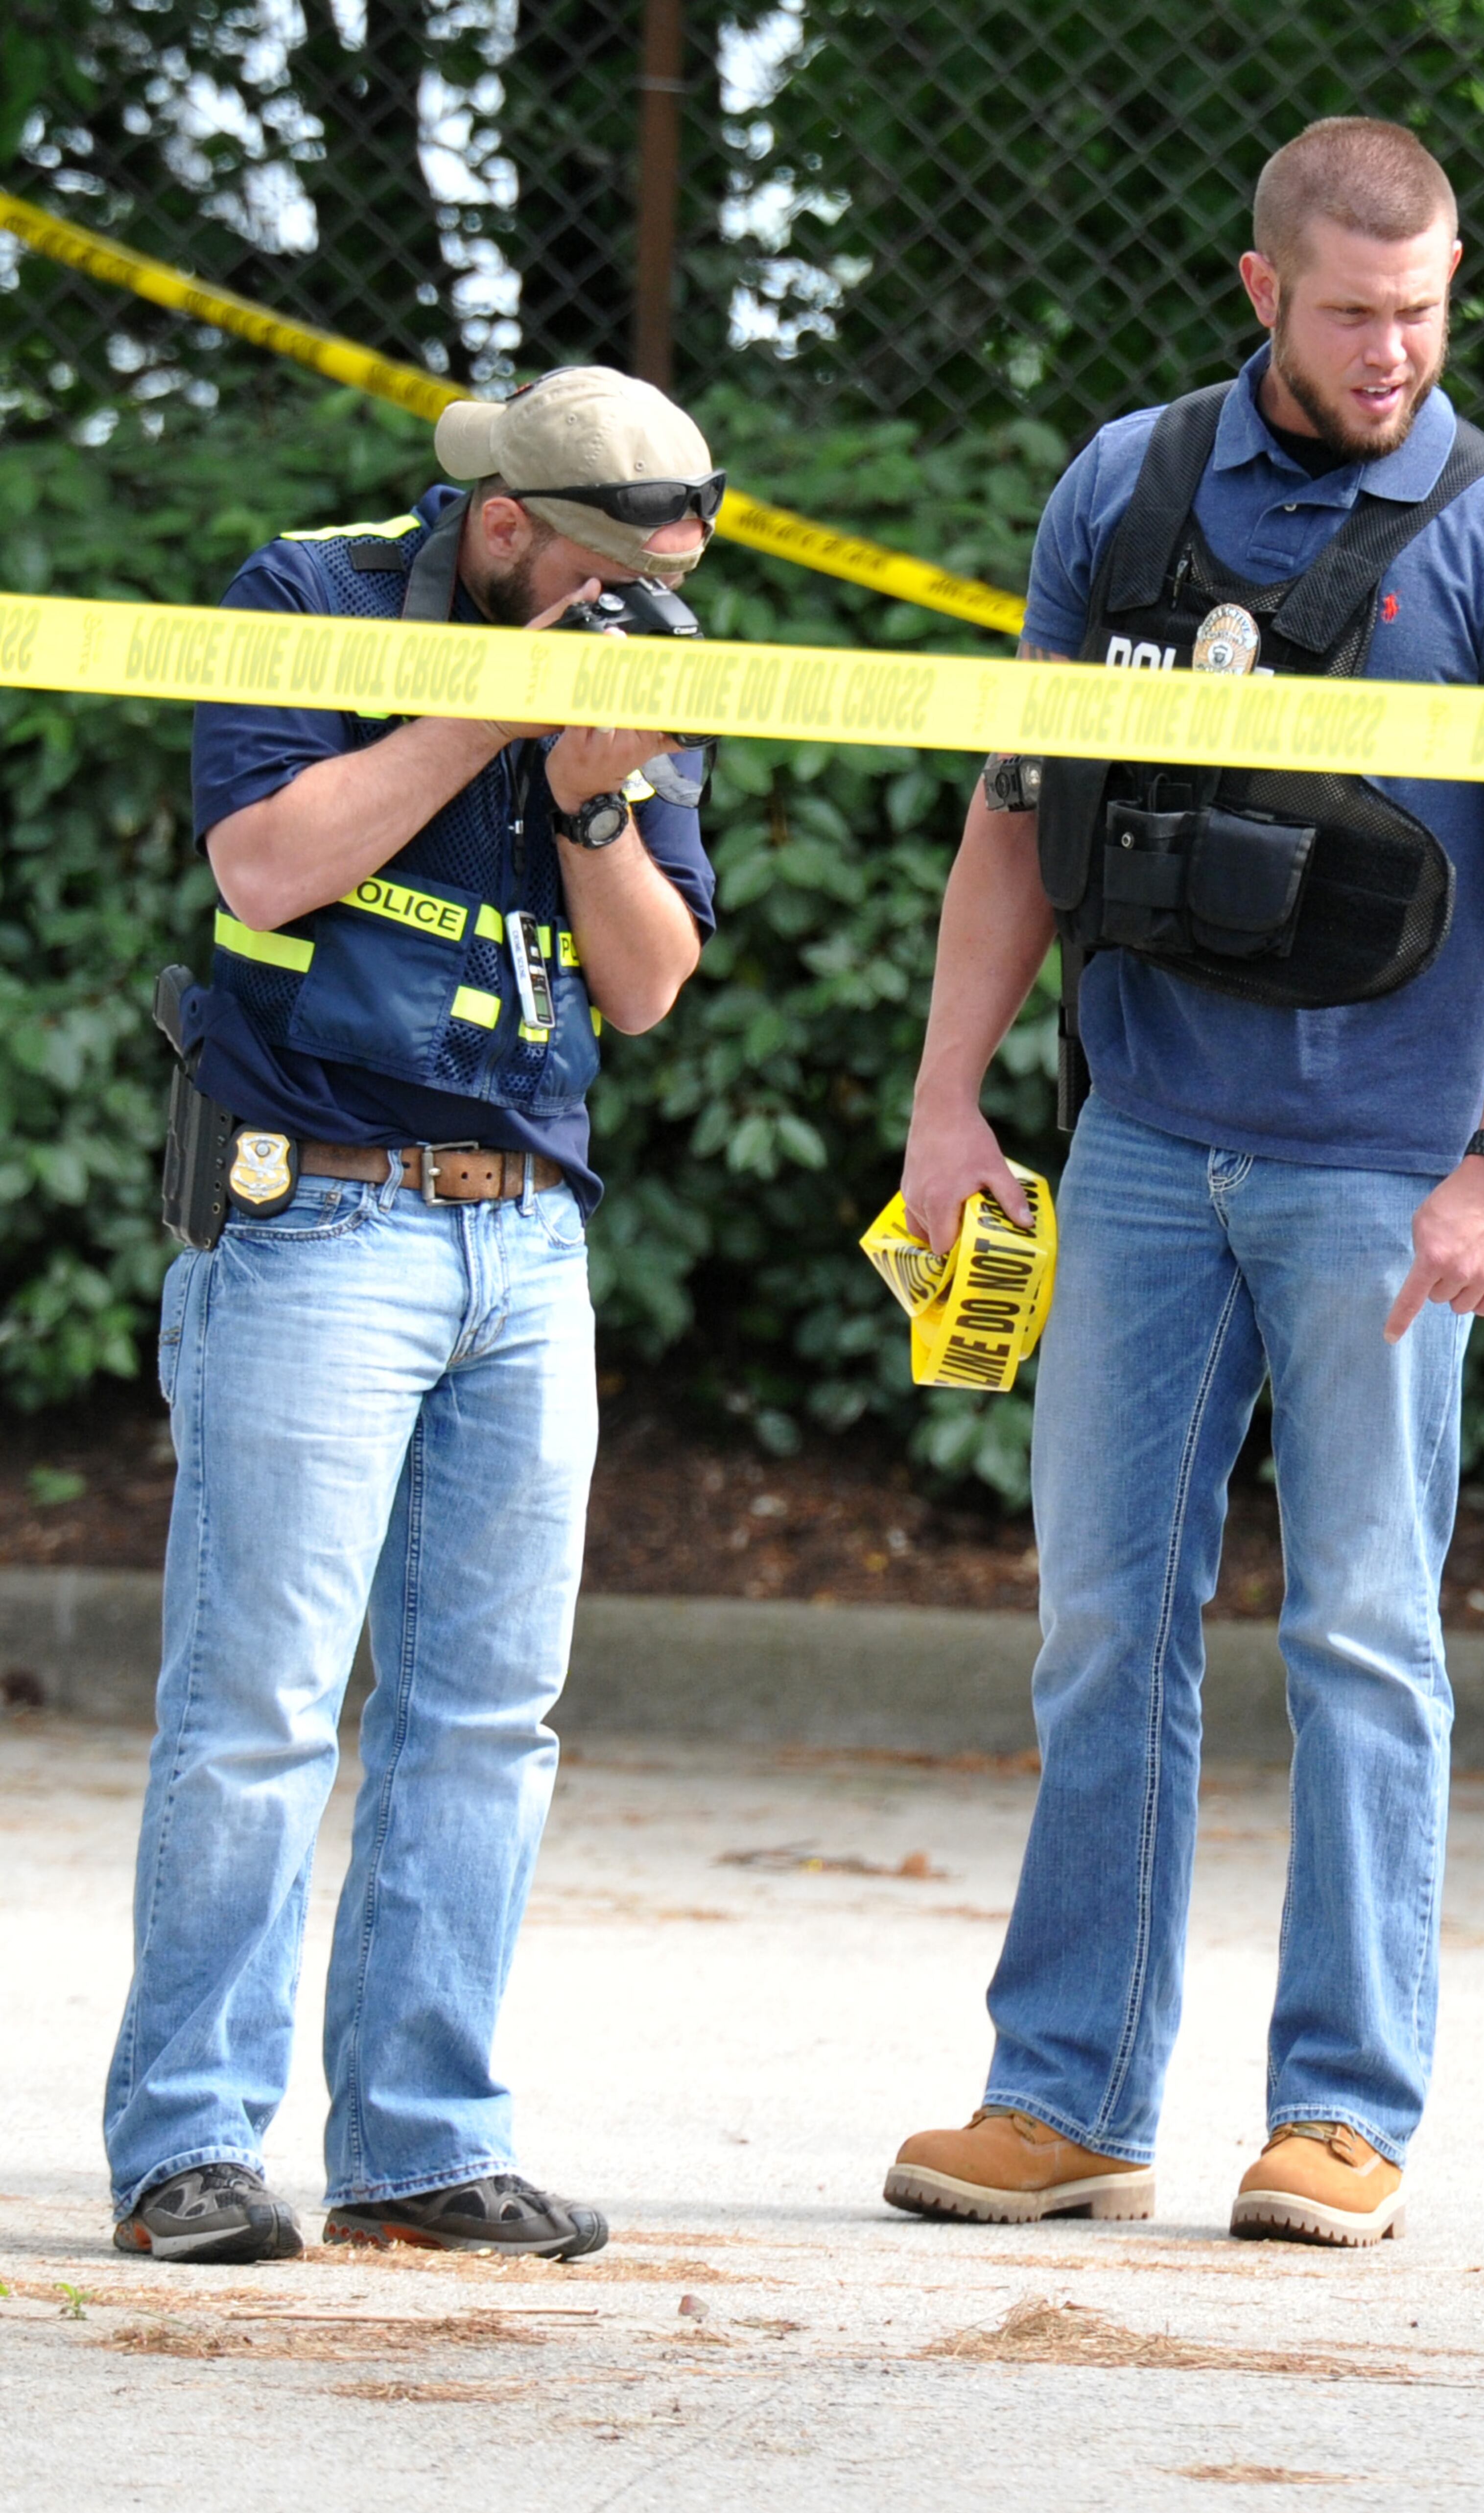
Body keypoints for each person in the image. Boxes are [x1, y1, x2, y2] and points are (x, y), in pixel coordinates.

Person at [884, 120, 1484, 2242]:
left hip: (1385, 1180)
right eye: (1353, 314)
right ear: (1259, 295)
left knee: (1364, 1640)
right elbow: (1019, 821)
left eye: (1427, 309)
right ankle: (1067, 2099)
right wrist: (955, 1113)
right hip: (1135, 1154)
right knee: (1100, 1629)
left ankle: (1340, 2116)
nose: (1396, 352)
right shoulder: (1123, 492)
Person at [106, 368, 723, 2262]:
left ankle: (421, 2147)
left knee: (484, 1719)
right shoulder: (306, 597)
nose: (637, 619)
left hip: (526, 1236)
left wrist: (594, 800)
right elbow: (265, 864)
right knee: (259, 1711)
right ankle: (190, 2147)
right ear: (509, 529)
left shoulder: (634, 658)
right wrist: (490, 716)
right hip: (315, 1218)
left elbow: (650, 991)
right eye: (610, 582)